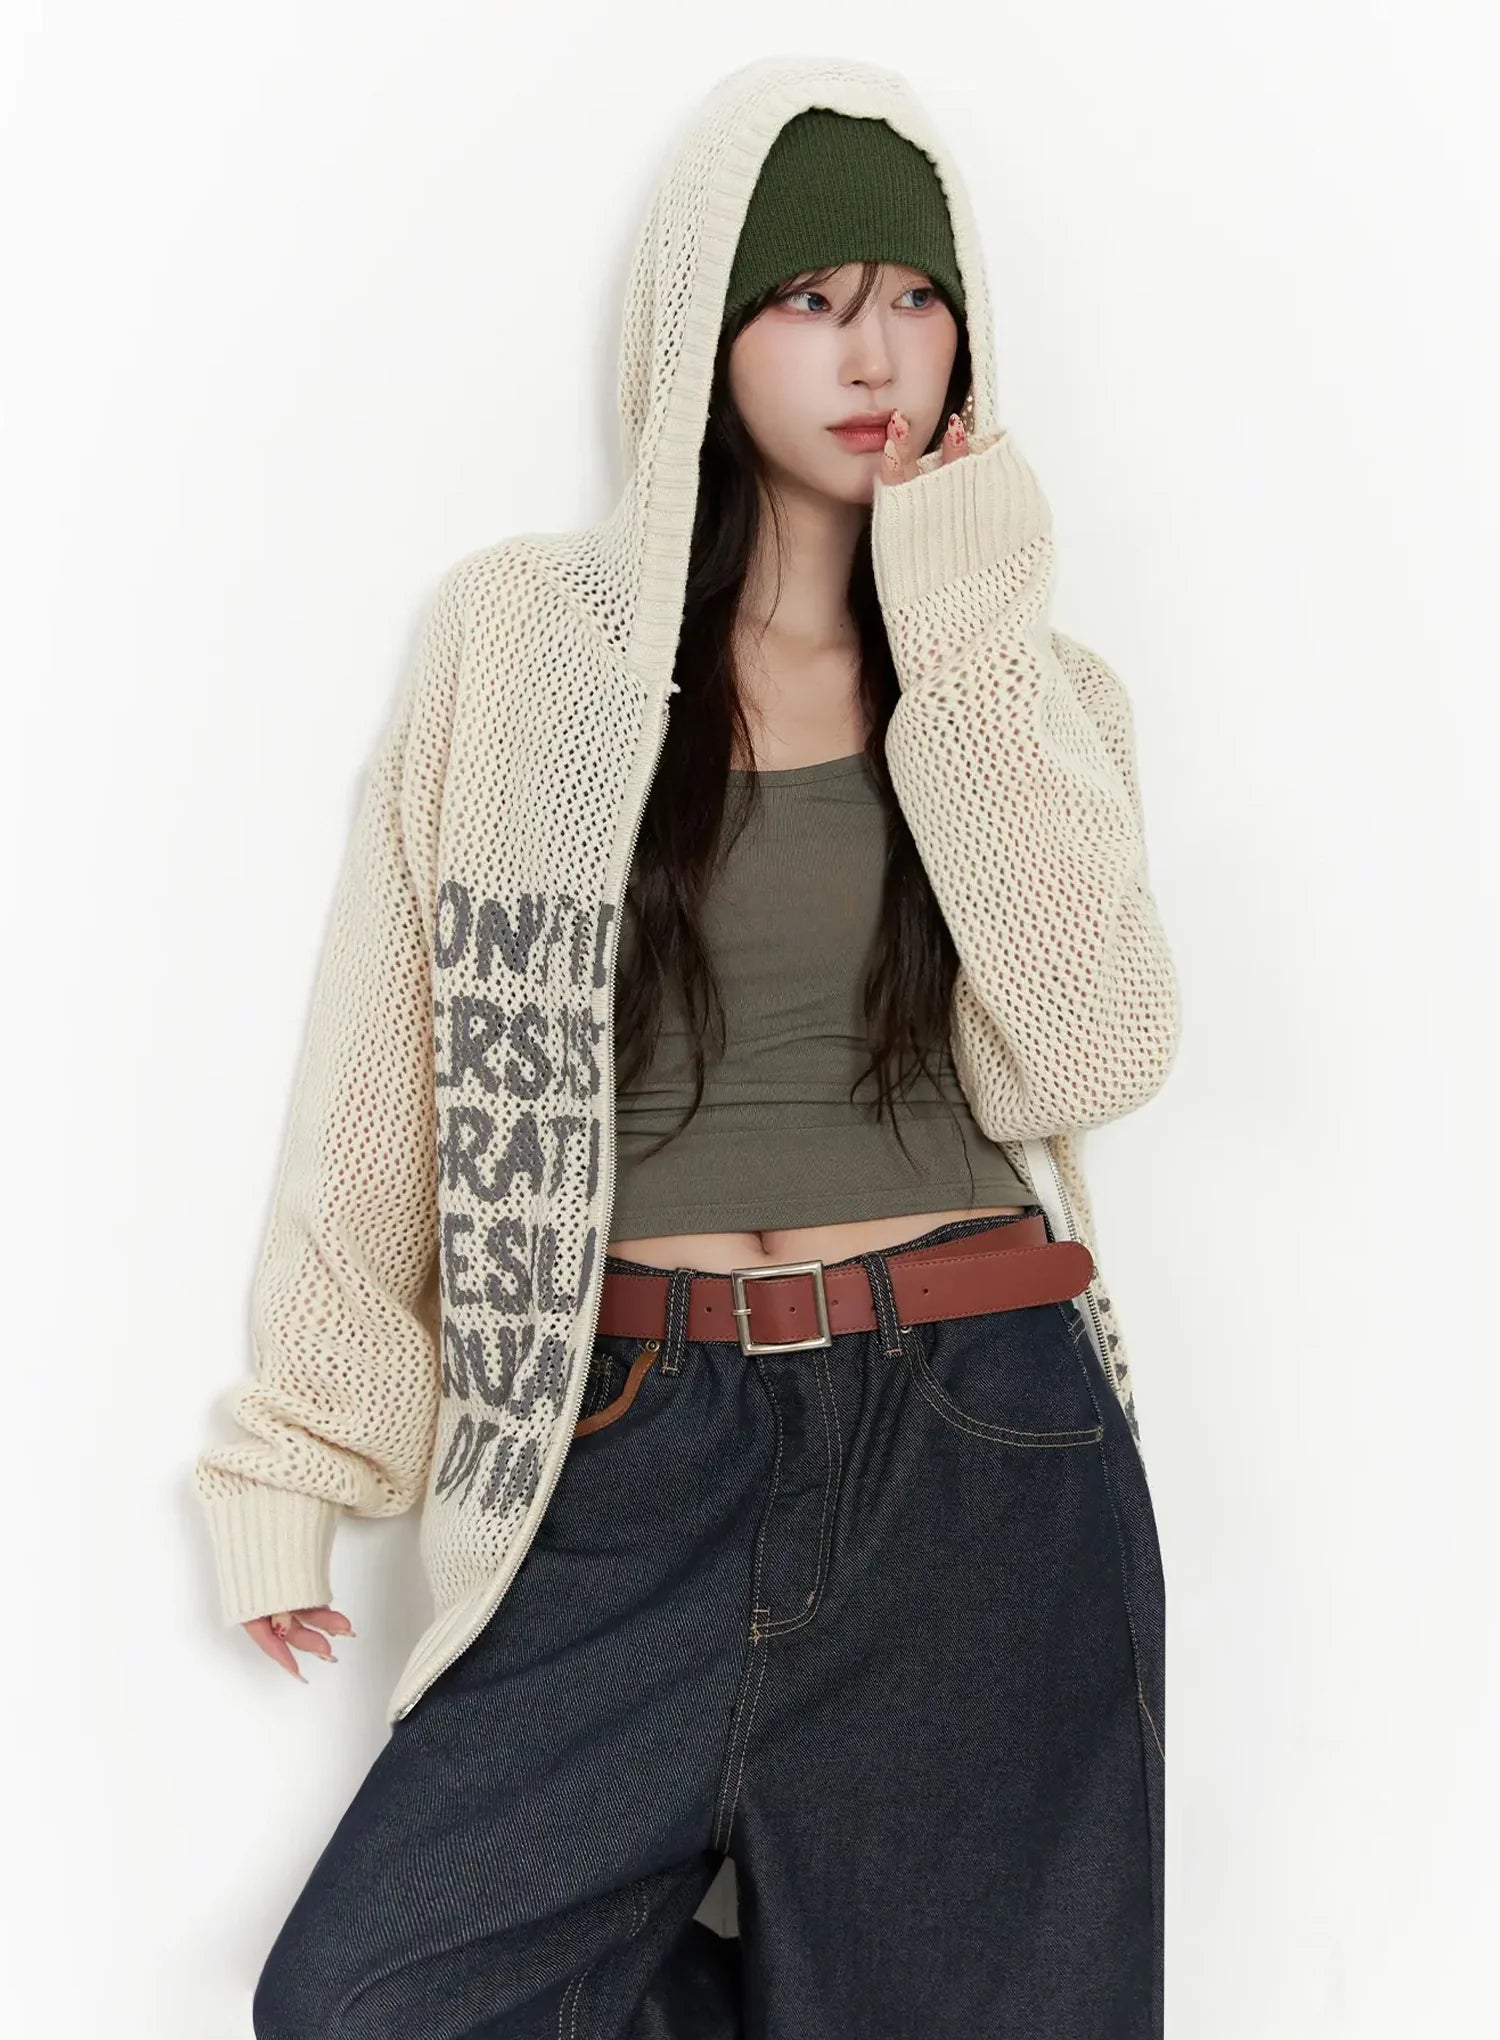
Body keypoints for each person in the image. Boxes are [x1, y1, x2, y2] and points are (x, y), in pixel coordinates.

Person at [197, 53, 1180, 2040]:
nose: (874, 354)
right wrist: (300, 1452)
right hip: (626, 1443)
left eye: (914, 299)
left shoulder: (1034, 692)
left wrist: (966, 640)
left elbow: (1083, 1057)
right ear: (703, 338)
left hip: (977, 1442)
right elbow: (388, 1061)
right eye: (811, 300)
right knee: (367, 1999)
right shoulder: (526, 651)